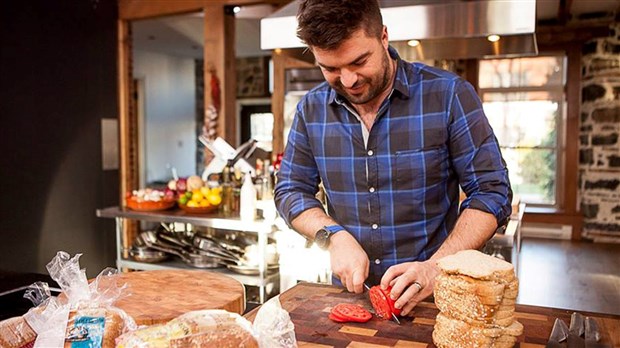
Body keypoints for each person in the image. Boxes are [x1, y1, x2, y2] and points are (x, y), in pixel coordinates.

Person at [274, 0, 512, 316]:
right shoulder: (311, 110)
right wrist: (333, 237)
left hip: (437, 300)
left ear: (384, 37)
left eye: (359, 61)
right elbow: (290, 190)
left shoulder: (448, 95)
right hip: (351, 302)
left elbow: (492, 192)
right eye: (330, 68)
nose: (347, 81)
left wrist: (435, 268)